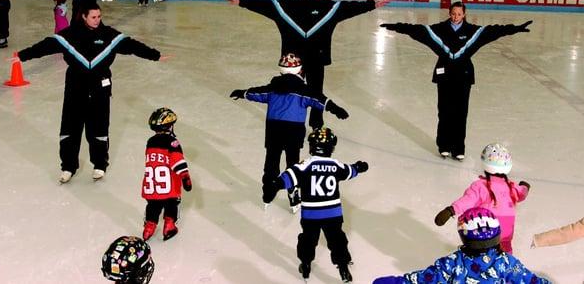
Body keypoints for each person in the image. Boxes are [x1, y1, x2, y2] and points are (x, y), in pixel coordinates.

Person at [15, 3, 165, 184]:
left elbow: (131, 45)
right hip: (75, 87)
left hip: (100, 88)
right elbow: (47, 45)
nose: (97, 20)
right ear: (84, 16)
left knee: (99, 127)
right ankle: (68, 167)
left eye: (99, 16)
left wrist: (155, 55)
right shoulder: (70, 35)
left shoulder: (108, 35)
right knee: (70, 128)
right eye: (93, 17)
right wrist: (23, 55)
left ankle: (100, 164)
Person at [225, 0, 388, 130]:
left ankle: (316, 122)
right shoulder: (286, 6)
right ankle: (286, 116)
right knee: (287, 88)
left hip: (316, 58)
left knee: (316, 91)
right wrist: (241, 2)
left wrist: (372, 5)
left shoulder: (326, 7)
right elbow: (264, 5)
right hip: (293, 61)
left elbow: (349, 8)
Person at [380, 2, 532, 160]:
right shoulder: (439, 29)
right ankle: (444, 145)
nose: (456, 17)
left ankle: (458, 148)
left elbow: (494, 31)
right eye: (453, 13)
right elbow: (418, 30)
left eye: (459, 14)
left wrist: (515, 28)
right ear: (449, 13)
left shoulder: (473, 31)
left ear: (464, 14)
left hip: (463, 76)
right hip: (444, 75)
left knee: (461, 113)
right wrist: (396, 26)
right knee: (444, 111)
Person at [230, 53, 349, 212]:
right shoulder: (304, 90)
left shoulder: (272, 88)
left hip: (274, 131)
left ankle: (267, 194)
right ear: (300, 71)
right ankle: (294, 196)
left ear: (281, 71)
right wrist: (336, 109)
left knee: (271, 162)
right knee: (292, 164)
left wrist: (242, 93)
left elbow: (257, 93)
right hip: (293, 132)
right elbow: (319, 100)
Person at [263, 127, 369, 283]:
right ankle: (343, 267)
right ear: (331, 148)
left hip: (311, 214)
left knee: (308, 240)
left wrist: (275, 185)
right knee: (337, 239)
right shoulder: (335, 165)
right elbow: (349, 171)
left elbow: (288, 178)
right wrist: (359, 167)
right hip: (333, 214)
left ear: (312, 146)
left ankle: (305, 264)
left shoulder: (305, 165)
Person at [372, 207, 550, 284]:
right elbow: (531, 281)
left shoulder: (453, 263)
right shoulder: (507, 263)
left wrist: (397, 281)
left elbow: (425, 279)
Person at [434, 143, 530, 253]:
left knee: (484, 253)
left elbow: (467, 201)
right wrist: (525, 187)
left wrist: (451, 210)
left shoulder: (480, 186)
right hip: (506, 232)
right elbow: (522, 193)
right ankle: (505, 267)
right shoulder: (511, 187)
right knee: (505, 254)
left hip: (487, 231)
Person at [142, 107, 192, 241]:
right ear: (170, 126)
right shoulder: (172, 142)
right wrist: (185, 177)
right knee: (171, 205)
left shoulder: (150, 142)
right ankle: (169, 226)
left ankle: (149, 227)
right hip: (169, 187)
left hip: (153, 186)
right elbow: (177, 161)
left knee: (153, 206)